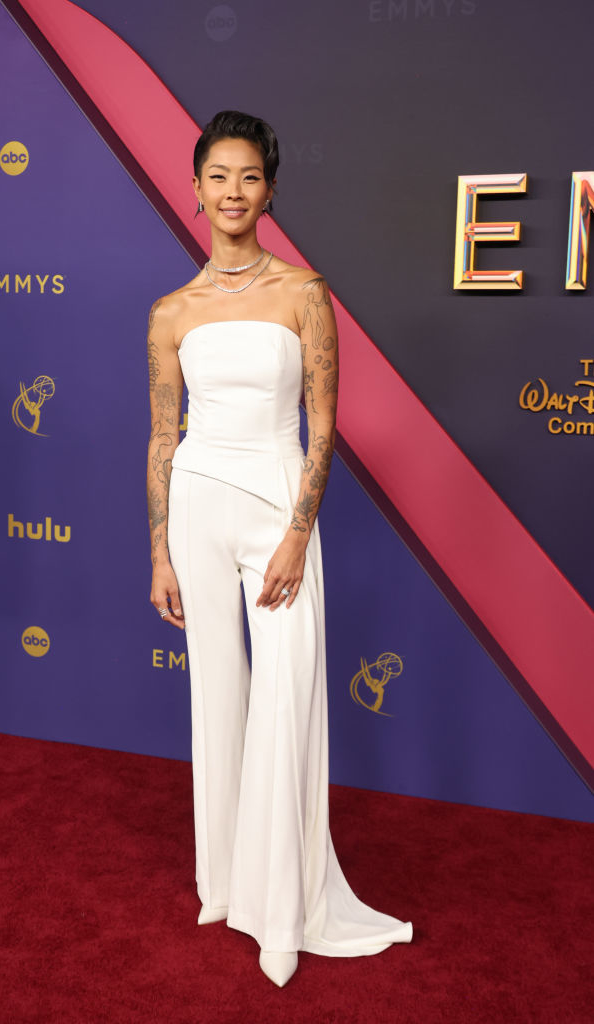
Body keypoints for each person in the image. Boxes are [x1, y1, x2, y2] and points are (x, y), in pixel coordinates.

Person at [146, 110, 412, 987]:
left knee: (287, 699)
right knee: (216, 697)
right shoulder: (170, 312)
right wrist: (160, 552)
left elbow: (323, 426)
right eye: (217, 175)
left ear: (269, 188)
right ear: (195, 186)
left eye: (248, 176)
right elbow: (160, 438)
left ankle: (286, 907)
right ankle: (225, 883)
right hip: (195, 505)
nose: (231, 191)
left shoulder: (304, 291)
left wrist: (297, 532)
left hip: (276, 507)